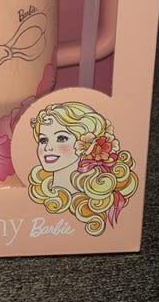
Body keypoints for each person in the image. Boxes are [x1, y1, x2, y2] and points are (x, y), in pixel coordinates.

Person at [29, 100, 138, 235]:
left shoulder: (98, 196)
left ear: (88, 144)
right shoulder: (39, 191)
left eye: (61, 138)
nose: (48, 147)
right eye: (43, 140)